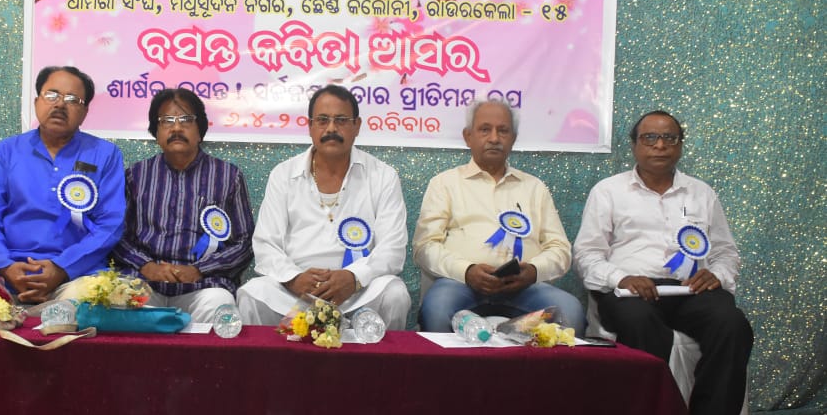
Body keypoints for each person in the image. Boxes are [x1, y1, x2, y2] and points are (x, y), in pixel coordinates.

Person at [573, 110, 754, 415]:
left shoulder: (701, 193)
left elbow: (725, 252)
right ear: (634, 145)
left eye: (669, 138)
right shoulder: (609, 191)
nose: (659, 146)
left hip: (690, 289)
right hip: (630, 289)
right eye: (650, 138)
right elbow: (587, 254)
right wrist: (620, 278)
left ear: (680, 145)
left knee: (732, 326)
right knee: (643, 328)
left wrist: (717, 275)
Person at [0, 65, 125, 307]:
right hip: (4, 271)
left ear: (85, 111)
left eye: (72, 99)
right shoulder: (6, 151)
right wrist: (6, 266)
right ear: (37, 102)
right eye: (52, 95)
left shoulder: (105, 154)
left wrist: (61, 268)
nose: (60, 104)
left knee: (94, 299)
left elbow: (110, 224)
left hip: (75, 275)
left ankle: (39, 315)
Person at [237, 84, 411, 329]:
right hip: (297, 290)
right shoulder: (283, 174)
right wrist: (294, 278)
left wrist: (353, 277)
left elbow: (392, 249)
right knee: (252, 294)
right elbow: (266, 243)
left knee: (394, 293)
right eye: (322, 120)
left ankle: (382, 357)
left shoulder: (383, 176)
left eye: (341, 120)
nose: (331, 128)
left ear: (357, 126)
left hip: (358, 291)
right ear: (310, 126)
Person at [413, 99, 584, 333]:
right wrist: (466, 271)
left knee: (570, 311)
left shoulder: (534, 188)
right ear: (468, 136)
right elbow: (424, 247)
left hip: (525, 289)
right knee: (437, 309)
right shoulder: (444, 184)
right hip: (459, 285)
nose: (494, 138)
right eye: (485, 129)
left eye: (503, 131)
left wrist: (533, 271)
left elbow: (560, 249)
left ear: (513, 138)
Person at [112, 89, 254, 321]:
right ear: (156, 132)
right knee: (117, 299)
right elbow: (117, 235)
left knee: (220, 304)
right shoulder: (136, 175)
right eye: (167, 121)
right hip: (145, 282)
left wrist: (199, 270)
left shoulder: (228, 176)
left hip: (204, 286)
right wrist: (147, 266)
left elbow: (244, 243)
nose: (176, 128)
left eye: (186, 120)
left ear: (201, 130)